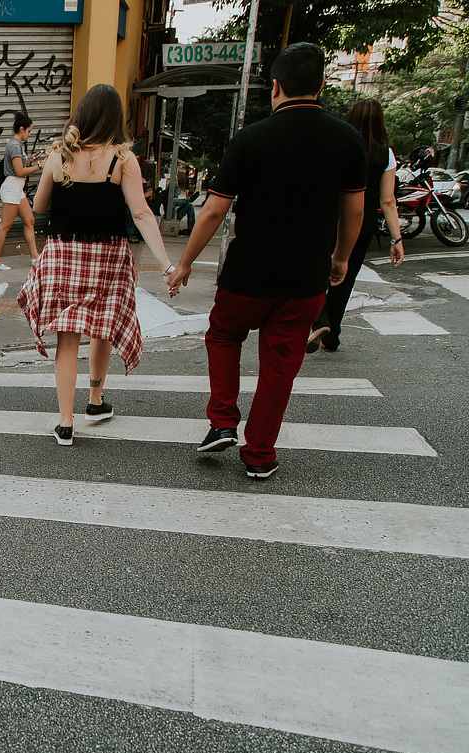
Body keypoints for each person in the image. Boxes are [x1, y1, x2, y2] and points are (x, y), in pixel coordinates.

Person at [166, 42, 365, 479]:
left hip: (248, 273)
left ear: (275, 86)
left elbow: (215, 210)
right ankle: (259, 455)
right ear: (322, 86)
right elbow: (354, 210)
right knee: (280, 365)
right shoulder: (347, 140)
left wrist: (184, 264)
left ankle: (222, 420)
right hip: (305, 277)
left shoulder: (250, 139)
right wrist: (340, 258)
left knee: (223, 336)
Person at [17, 84, 174, 446]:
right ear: (114, 117)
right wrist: (166, 265)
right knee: (101, 327)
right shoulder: (123, 159)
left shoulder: (58, 156)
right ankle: (96, 400)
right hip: (107, 258)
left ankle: (65, 422)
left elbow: (39, 206)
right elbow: (141, 213)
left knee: (67, 337)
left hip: (63, 256)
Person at [308, 98, 405, 353]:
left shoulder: (337, 144)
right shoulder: (386, 154)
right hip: (363, 223)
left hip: (330, 216)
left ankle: (321, 319)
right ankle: (332, 335)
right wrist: (397, 239)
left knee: (316, 268)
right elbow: (388, 200)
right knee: (345, 275)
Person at [0, 113, 44, 270]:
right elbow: (19, 171)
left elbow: (18, 165)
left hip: (17, 187)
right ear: (21, 129)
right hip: (12, 186)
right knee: (6, 225)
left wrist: (30, 160)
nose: (30, 134)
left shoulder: (17, 146)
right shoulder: (14, 145)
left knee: (30, 220)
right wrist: (40, 166)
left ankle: (35, 257)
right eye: (29, 131)